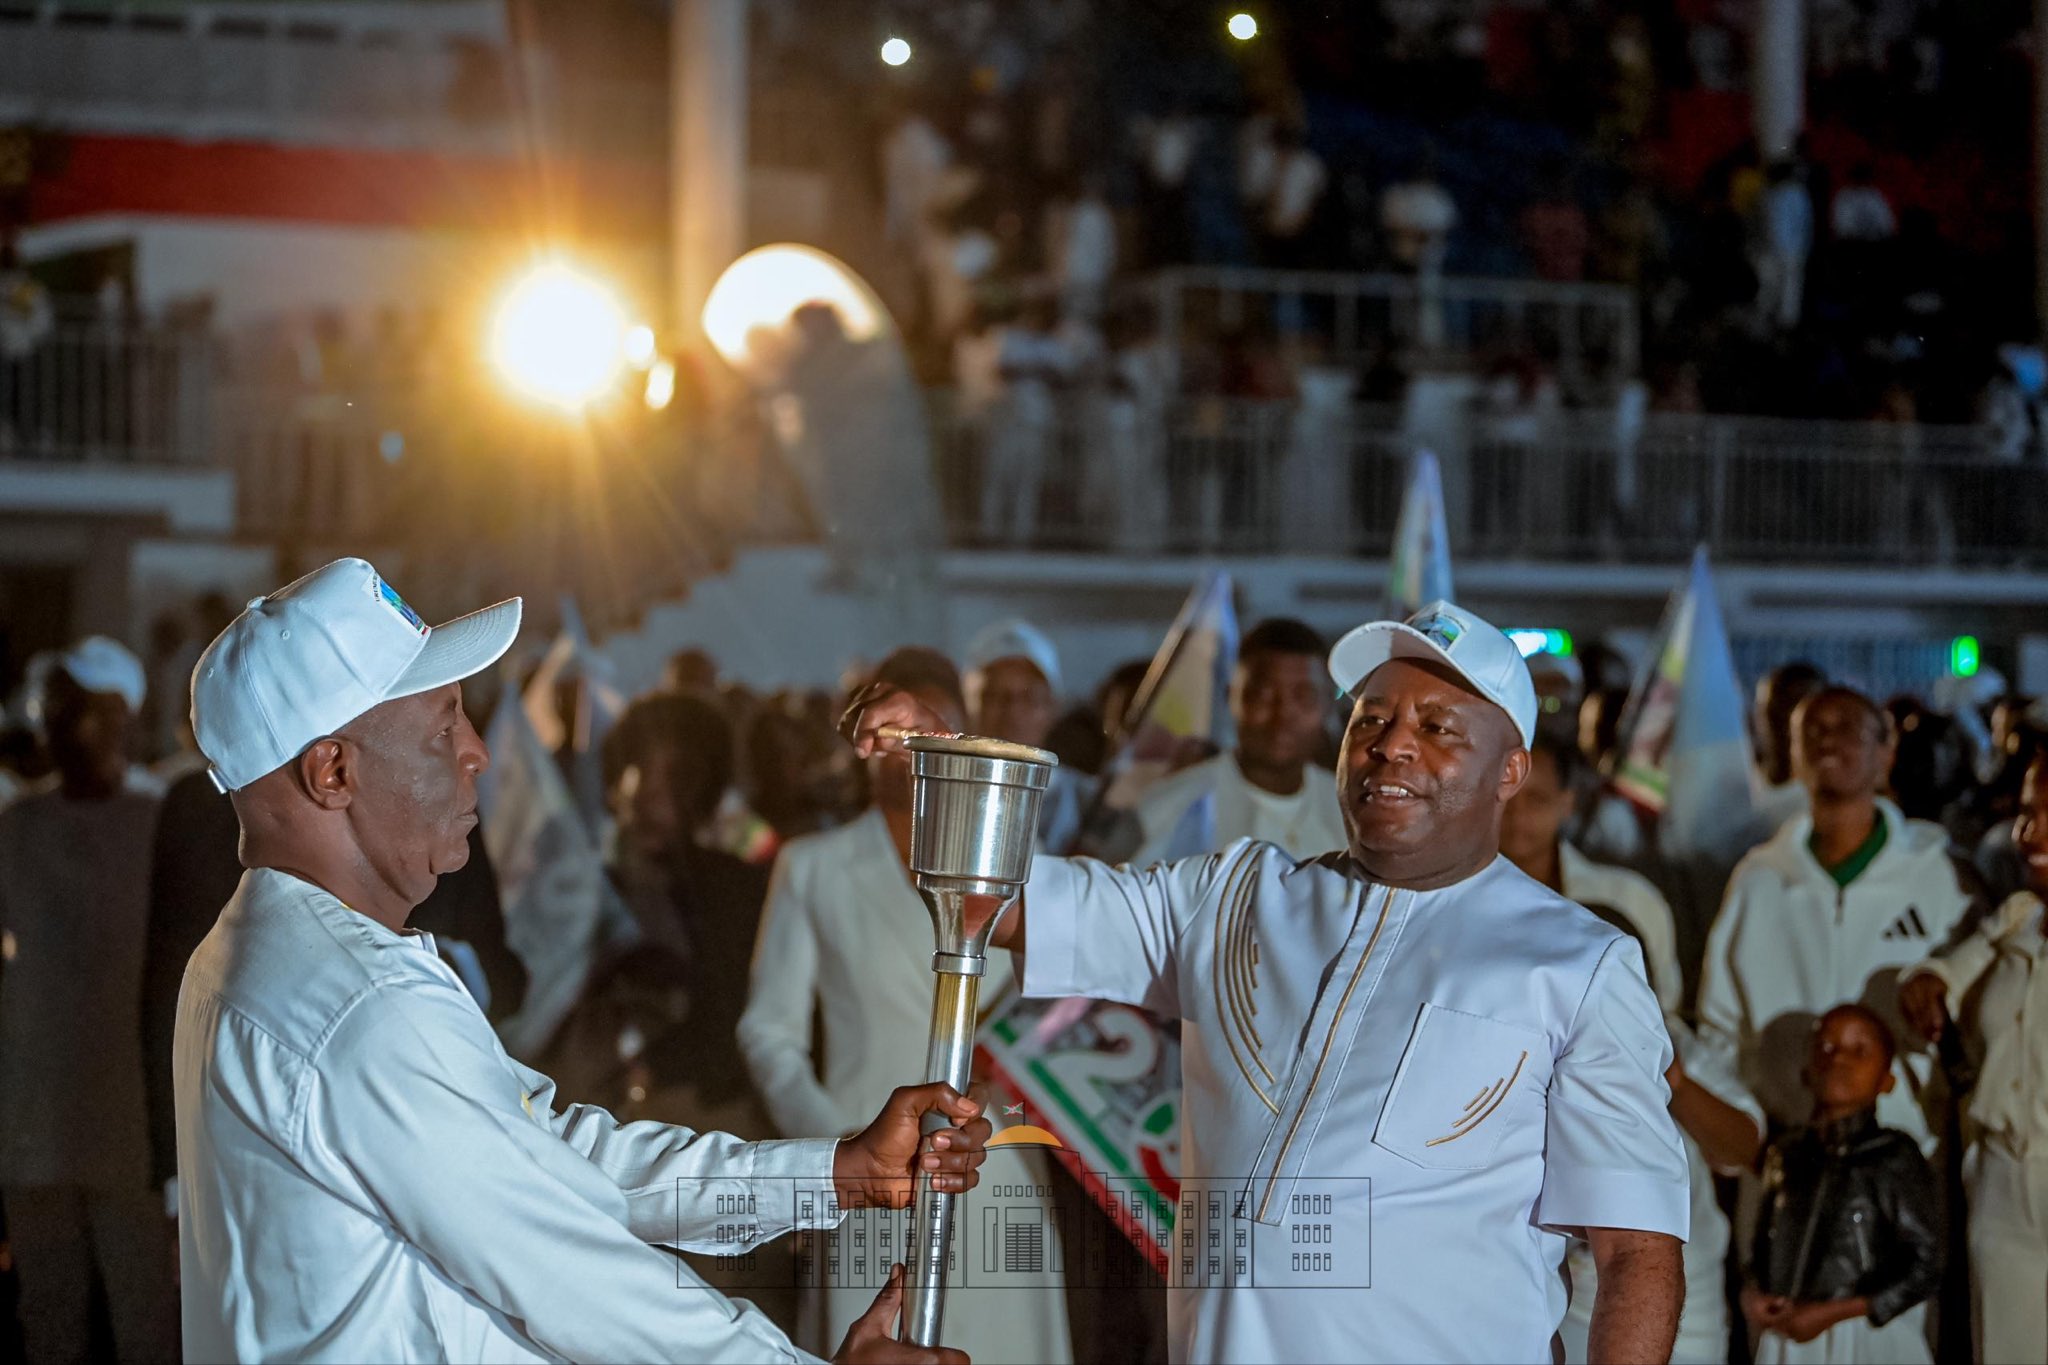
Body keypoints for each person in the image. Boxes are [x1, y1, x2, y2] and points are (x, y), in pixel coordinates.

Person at [175, 559, 989, 1364]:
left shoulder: (258, 954)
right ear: (334, 771)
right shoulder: (362, 1006)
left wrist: (833, 1174)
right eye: (443, 724)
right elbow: (573, 1277)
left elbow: (560, 1168)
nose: (477, 754)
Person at [848, 600, 1691, 1363]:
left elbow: (1636, 1252)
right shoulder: (1234, 896)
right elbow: (1000, 900)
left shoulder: (1579, 963)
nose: (1393, 742)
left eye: (1439, 727)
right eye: (1372, 717)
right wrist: (943, 760)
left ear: (1510, 771)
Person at [740, 646, 1073, 1365]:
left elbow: (1060, 1020)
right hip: (868, 1171)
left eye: (932, 725)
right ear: (865, 742)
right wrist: (833, 1151)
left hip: (996, 1165)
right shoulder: (814, 865)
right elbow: (769, 1031)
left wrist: (1018, 1097)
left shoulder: (1015, 860)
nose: (910, 749)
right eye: (893, 731)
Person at [1503, 734, 1765, 1364]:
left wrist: (1665, 1076)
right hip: (1557, 1282)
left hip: (1681, 1280)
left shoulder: (1671, 1044)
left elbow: (1743, 1145)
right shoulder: (1511, 1049)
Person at [1699, 685, 1979, 1149]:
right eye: (1812, 732)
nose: (1828, 742)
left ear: (1885, 755)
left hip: (1910, 1149)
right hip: (1787, 1154)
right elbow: (1720, 1030)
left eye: (1848, 729)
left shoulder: (1939, 876)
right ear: (1793, 754)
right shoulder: (1759, 881)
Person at [0, 637, 178, 1363]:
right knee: (48, 1325)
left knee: (146, 1325)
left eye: (75, 710)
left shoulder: (164, 821)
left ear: (120, 719)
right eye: (55, 710)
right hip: (31, 1125)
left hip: (131, 1132)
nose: (56, 726)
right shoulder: (15, 827)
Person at [1900, 749, 2048, 1363]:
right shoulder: (2018, 919)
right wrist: (1928, 981)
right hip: (1998, 1178)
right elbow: (1938, 976)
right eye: (2025, 812)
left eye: (2047, 814)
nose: (2027, 834)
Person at [1742, 1006, 1942, 1365]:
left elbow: (1927, 1261)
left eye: (1859, 1051)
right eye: (1826, 1047)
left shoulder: (1893, 1155)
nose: (1839, 1060)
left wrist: (1841, 1310)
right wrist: (1754, 1293)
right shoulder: (1788, 1154)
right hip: (1790, 1333)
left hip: (1864, 1333)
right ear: (1805, 1070)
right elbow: (1763, 1244)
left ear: (1887, 1080)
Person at [1130, 618, 1345, 863]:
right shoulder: (1168, 807)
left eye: (1303, 696)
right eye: (1263, 695)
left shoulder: (1349, 809)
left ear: (1327, 703)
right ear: (1231, 696)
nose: (1282, 714)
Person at [1753, 661, 1825, 829]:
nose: (1787, 723)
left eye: (1802, 714)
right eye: (1774, 710)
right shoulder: (1738, 786)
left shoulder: (1834, 795)